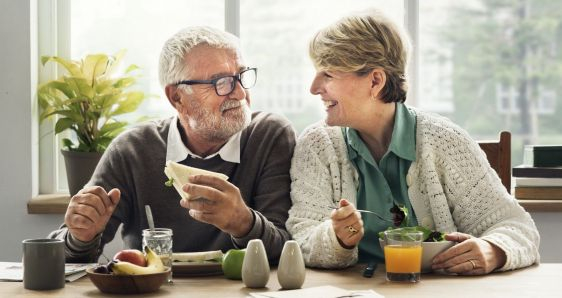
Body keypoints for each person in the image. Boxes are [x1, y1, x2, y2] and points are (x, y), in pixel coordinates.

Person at [286, 9, 540, 275]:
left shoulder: (446, 141)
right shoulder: (317, 145)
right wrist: (337, 238)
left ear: (375, 80)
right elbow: (301, 237)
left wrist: (494, 249)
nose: (314, 88)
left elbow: (517, 226)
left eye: (327, 74)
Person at [49, 26, 295, 263]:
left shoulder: (269, 136)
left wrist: (244, 223)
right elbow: (66, 258)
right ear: (177, 97)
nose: (240, 93)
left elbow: (288, 251)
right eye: (221, 82)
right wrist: (80, 237)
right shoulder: (132, 150)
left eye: (241, 76)